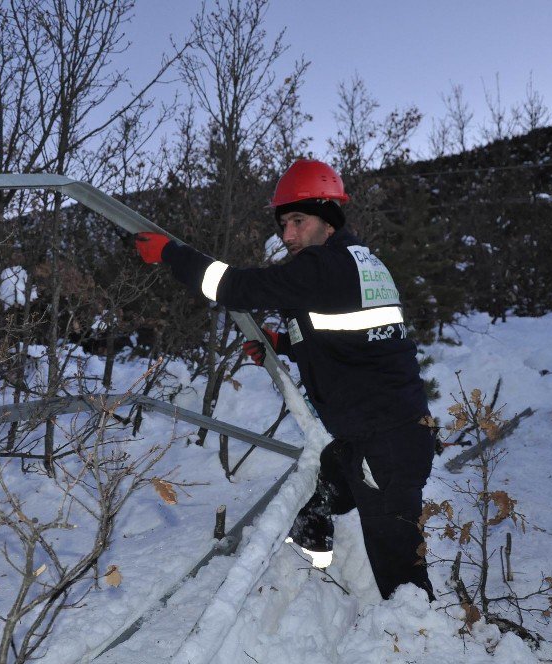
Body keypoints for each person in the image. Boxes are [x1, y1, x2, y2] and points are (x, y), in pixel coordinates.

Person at [133, 159, 436, 601]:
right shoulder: (359, 261)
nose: (287, 235)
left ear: (327, 221)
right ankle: (311, 576)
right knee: (316, 493)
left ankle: (421, 639)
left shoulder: (321, 266)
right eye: (282, 225)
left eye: (298, 221)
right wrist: (283, 342)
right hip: (380, 432)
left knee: (403, 582)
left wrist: (170, 253)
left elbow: (231, 286)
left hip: (384, 443)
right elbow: (353, 336)